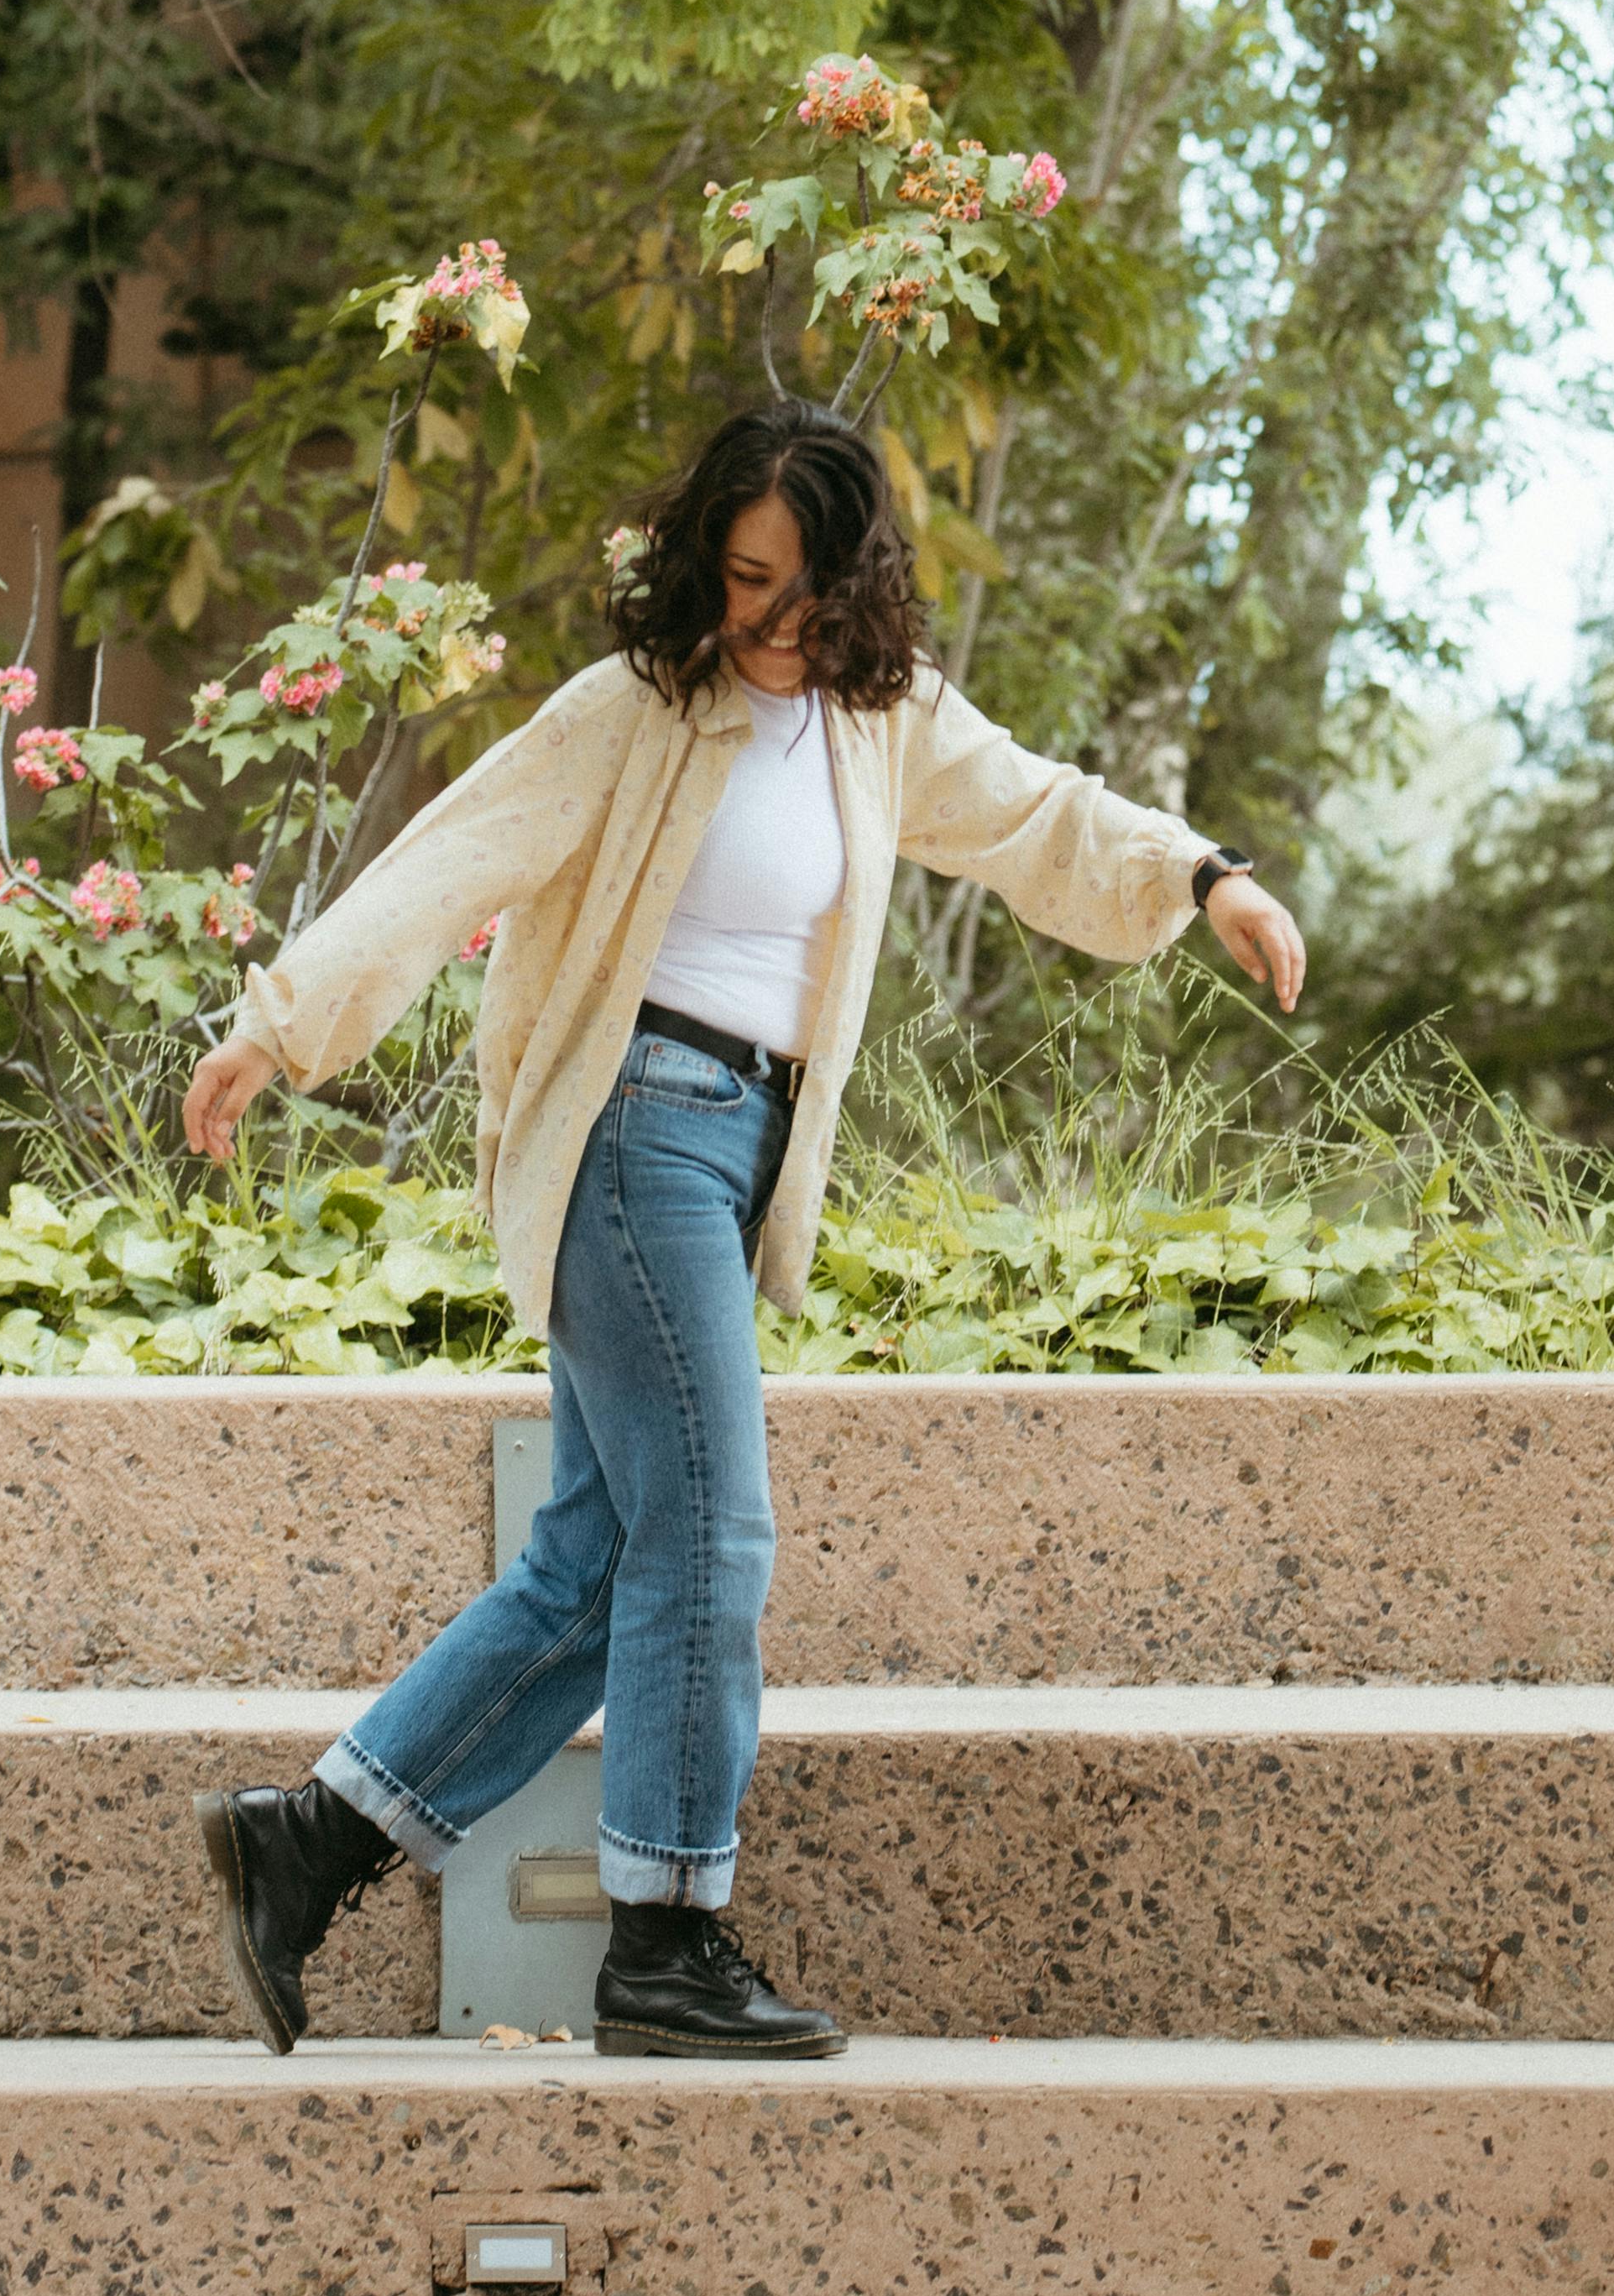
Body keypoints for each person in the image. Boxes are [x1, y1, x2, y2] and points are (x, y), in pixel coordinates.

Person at [180, 395, 1307, 2058]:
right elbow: (449, 858)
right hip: (630, 1129)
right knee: (714, 1533)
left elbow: (1040, 814)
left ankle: (308, 1844)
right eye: (743, 578)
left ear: (861, 584)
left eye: (802, 588)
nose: (769, 620)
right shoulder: (633, 713)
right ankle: (662, 1938)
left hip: (734, 1149)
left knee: (598, 1566)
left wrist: (1207, 875)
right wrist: (280, 1026)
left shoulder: (880, 722)